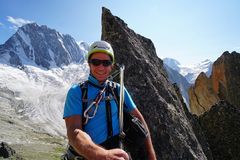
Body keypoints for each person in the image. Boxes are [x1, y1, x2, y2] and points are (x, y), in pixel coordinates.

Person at [63, 40, 156, 160]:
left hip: (117, 153)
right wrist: (102, 155)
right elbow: (74, 131)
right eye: (96, 62)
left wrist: (150, 155)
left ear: (112, 65)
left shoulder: (119, 90)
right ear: (89, 64)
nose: (101, 67)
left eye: (106, 63)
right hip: (88, 155)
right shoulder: (77, 92)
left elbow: (140, 122)